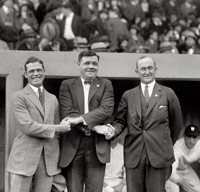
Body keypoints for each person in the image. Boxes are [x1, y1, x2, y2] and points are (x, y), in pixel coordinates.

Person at [107, 56, 183, 192]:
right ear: (137, 71)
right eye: (143, 69)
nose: (146, 72)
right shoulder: (128, 95)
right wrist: (112, 131)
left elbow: (176, 125)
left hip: (159, 156)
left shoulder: (167, 93)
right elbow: (120, 121)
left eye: (149, 68)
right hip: (134, 155)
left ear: (155, 69)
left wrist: (164, 144)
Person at [7, 56, 71, 192]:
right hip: (23, 160)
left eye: (38, 70)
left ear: (44, 71)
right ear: (25, 74)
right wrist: (59, 128)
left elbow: (58, 135)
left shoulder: (52, 99)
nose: (35, 74)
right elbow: (28, 126)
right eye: (31, 71)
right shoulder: (18, 97)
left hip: (48, 162)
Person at [59, 50, 115, 192]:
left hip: (97, 146)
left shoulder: (106, 84)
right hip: (73, 144)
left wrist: (80, 119)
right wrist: (95, 127)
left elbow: (106, 109)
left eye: (94, 63)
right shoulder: (67, 85)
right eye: (87, 63)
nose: (91, 66)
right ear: (78, 64)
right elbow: (67, 113)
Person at [165, 124, 200, 192]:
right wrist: (181, 182)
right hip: (169, 172)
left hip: (186, 170)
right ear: (184, 136)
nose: (191, 140)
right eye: (189, 136)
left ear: (198, 137)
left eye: (194, 137)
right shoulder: (177, 147)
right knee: (174, 190)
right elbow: (171, 171)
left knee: (197, 189)